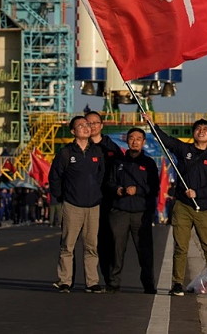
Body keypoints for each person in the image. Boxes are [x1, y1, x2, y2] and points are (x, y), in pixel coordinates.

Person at [145, 114, 207, 298]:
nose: (201, 132)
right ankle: (177, 283)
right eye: (198, 129)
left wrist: (198, 193)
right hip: (182, 207)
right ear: (194, 133)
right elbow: (164, 140)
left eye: (205, 130)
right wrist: (152, 124)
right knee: (180, 247)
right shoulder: (184, 149)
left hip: (203, 208)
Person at [49, 114, 105, 293]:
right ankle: (65, 280)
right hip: (72, 205)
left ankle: (92, 282)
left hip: (93, 205)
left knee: (92, 246)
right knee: (68, 245)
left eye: (87, 124)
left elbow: (101, 175)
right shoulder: (66, 153)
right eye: (81, 125)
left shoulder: (97, 151)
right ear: (73, 131)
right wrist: (61, 196)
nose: (86, 127)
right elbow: (55, 177)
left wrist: (97, 194)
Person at [107, 127, 159, 294]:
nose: (135, 141)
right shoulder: (118, 162)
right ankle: (113, 282)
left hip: (140, 213)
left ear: (144, 142)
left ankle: (148, 284)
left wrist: (138, 190)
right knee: (116, 248)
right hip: (120, 211)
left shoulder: (149, 164)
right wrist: (118, 190)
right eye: (131, 138)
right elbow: (109, 183)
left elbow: (154, 187)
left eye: (138, 138)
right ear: (126, 140)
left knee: (144, 250)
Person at [85, 110, 124, 288]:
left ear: (101, 125)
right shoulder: (79, 148)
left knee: (110, 239)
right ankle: (80, 280)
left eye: (95, 123)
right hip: (85, 200)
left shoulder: (112, 148)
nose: (92, 126)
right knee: (90, 241)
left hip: (108, 200)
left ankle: (111, 278)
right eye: (88, 123)